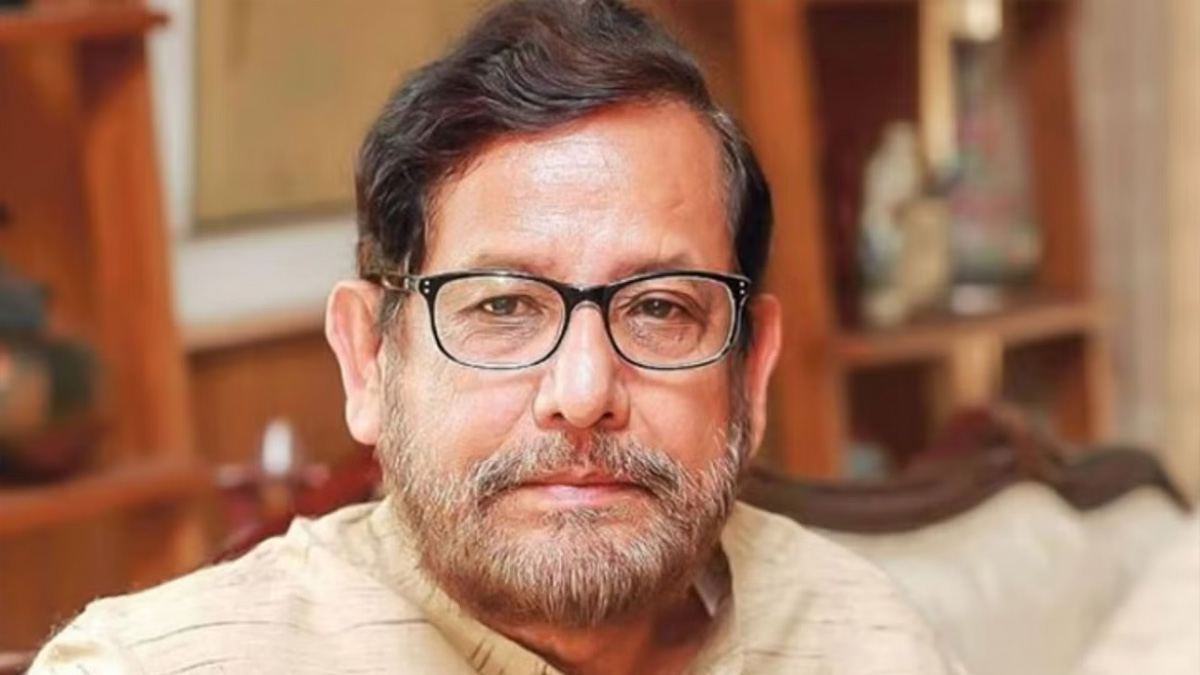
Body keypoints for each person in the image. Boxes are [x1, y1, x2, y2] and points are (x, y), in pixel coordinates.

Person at [31, 1, 962, 673]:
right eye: (504, 307)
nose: (583, 391)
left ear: (750, 373)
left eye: (659, 308)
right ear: (367, 360)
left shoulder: (863, 638)